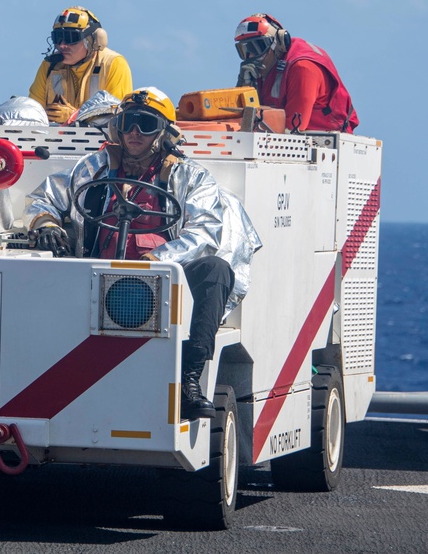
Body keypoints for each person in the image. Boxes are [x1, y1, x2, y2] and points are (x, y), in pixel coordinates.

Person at [25, 87, 260, 420]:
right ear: (117, 126)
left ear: (163, 132)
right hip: (94, 278)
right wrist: (47, 223)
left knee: (215, 269)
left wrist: (156, 263)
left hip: (166, 286)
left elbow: (205, 233)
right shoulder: (94, 167)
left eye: (146, 124)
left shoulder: (191, 177)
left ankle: (189, 379)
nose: (134, 132)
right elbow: (46, 196)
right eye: (128, 122)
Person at [234, 13, 359, 133]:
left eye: (257, 47)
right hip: (282, 138)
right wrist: (244, 83)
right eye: (244, 50)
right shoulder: (266, 65)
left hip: (318, 140)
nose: (250, 56)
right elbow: (239, 118)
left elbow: (294, 128)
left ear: (280, 42)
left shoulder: (303, 68)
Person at [28, 6, 133, 125]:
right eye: (57, 38)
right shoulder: (49, 66)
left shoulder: (114, 64)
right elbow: (33, 111)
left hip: (98, 140)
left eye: (70, 38)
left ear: (92, 40)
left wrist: (72, 116)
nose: (62, 45)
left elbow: (117, 116)